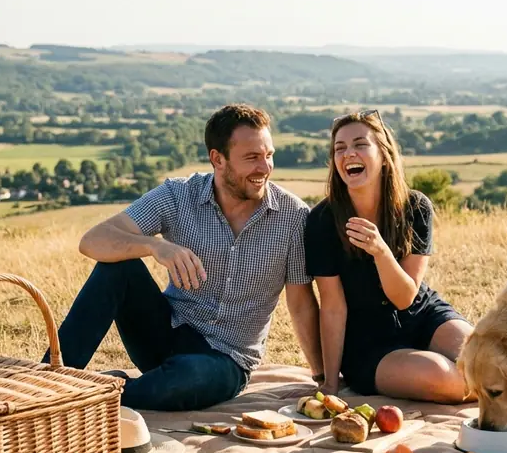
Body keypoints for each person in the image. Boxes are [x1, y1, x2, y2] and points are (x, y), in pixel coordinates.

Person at [44, 104, 323, 411]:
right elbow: (92, 241)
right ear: (218, 159)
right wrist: (154, 246)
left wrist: (322, 378)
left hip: (226, 360)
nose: (265, 167)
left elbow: (300, 303)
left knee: (188, 377)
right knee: (117, 270)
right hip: (167, 332)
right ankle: (46, 385)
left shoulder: (294, 216)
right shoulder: (179, 195)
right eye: (252, 157)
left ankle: (93, 395)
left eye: (268, 155)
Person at [304, 109, 474, 404]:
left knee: (491, 362)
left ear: (383, 155)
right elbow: (332, 307)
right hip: (368, 344)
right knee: (451, 380)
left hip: (422, 315)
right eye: (340, 148)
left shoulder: (416, 207)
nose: (349, 154)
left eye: (360, 144)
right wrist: (331, 384)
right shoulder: (322, 221)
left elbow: (405, 298)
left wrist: (381, 251)